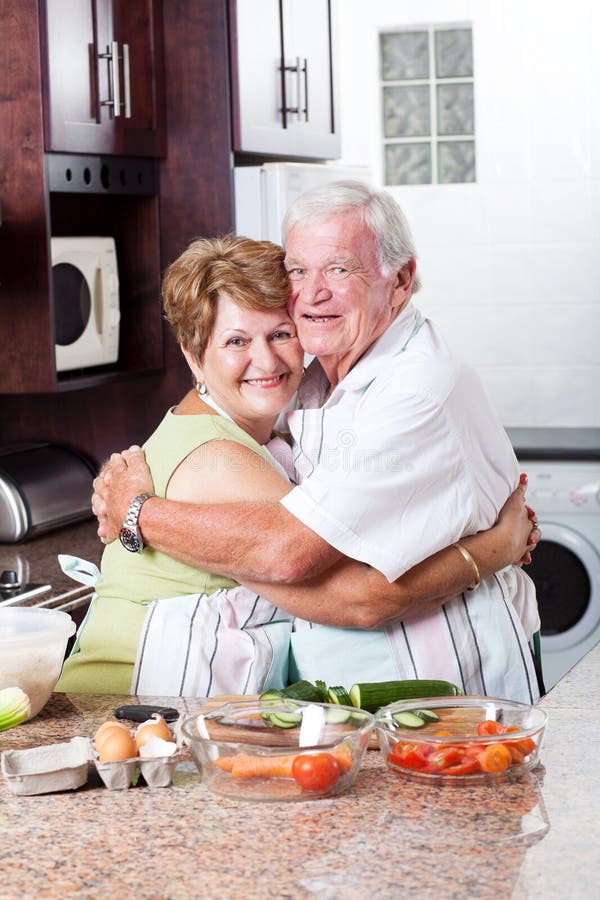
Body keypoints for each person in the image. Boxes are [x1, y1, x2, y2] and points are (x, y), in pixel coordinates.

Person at [93, 183, 542, 702]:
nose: (313, 293)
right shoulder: (296, 392)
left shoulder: (411, 391)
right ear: (195, 357)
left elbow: (297, 560)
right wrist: (495, 546)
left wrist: (137, 513)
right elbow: (311, 565)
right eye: (298, 271)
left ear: (400, 280)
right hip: (155, 698)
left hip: (448, 669)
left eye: (339, 269)